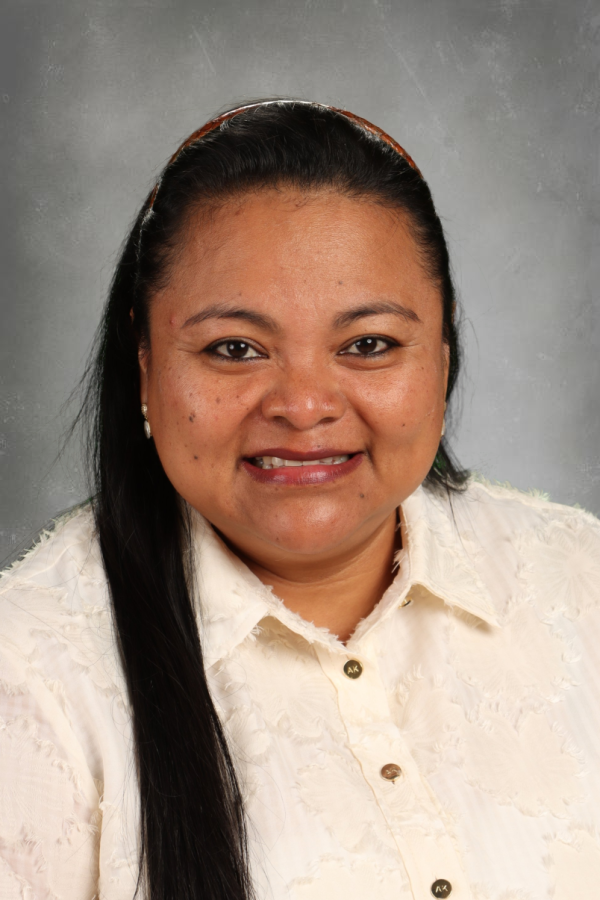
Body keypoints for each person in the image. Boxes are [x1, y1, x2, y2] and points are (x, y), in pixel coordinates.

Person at [1, 99, 599, 900]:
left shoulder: (580, 581)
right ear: (145, 368)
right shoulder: (29, 673)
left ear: (443, 356)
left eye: (369, 345)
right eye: (235, 349)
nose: (305, 405)